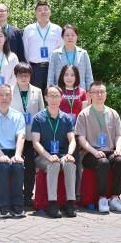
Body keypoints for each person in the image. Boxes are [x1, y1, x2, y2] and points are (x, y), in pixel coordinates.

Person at [74, 82, 121, 213]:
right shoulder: (84, 114)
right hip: (89, 153)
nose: (99, 94)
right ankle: (102, 198)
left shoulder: (113, 113)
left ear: (106, 94)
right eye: (96, 92)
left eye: (102, 92)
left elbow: (119, 135)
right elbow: (81, 139)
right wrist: (94, 151)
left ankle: (114, 198)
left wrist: (118, 150)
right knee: (102, 162)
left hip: (109, 151)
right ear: (90, 95)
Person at [31, 86, 78, 218]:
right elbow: (35, 142)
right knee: (54, 164)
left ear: (61, 98)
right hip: (43, 156)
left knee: (69, 164)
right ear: (45, 98)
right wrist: (48, 156)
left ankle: (70, 202)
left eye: (57, 96)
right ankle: (52, 203)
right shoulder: (38, 118)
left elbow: (72, 140)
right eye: (51, 96)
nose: (54, 99)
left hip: (62, 155)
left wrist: (69, 154)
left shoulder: (67, 118)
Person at [0, 84, 27, 218]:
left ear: (11, 97)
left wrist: (18, 155)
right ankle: (4, 207)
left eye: (7, 95)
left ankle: (18, 206)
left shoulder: (18, 115)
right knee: (3, 166)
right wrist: (1, 155)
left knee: (18, 166)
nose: (4, 98)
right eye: (1, 95)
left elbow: (21, 136)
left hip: (12, 151)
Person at [10, 62, 45, 205]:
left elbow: (42, 113)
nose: (24, 78)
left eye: (26, 75)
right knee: (15, 166)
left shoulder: (37, 91)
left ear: (30, 76)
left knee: (30, 167)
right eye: (20, 75)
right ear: (15, 76)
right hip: (14, 136)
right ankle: (15, 194)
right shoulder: (9, 90)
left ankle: (28, 195)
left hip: (32, 135)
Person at [22, 0, 64, 91]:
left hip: (52, 68)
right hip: (34, 69)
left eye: (45, 9)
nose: (43, 12)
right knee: (35, 96)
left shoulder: (57, 29)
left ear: (50, 12)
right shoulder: (28, 29)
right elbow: (25, 50)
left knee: (53, 95)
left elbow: (61, 50)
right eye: (40, 10)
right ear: (36, 13)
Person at [48, 24, 94, 91]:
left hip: (80, 92)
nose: (70, 37)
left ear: (77, 37)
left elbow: (89, 76)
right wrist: (51, 92)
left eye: (73, 35)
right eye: (67, 35)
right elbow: (50, 77)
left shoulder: (83, 53)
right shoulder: (55, 54)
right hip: (60, 92)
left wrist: (90, 92)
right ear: (62, 37)